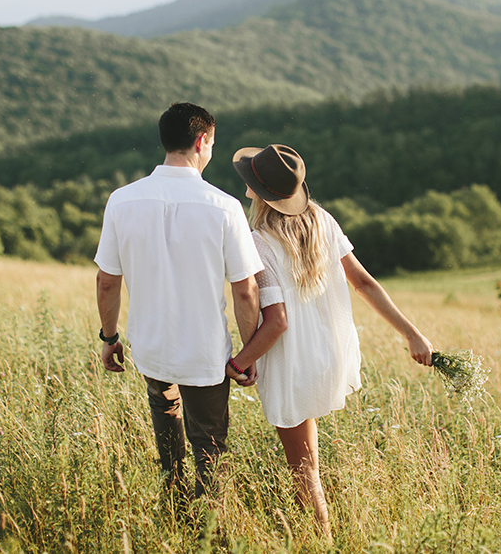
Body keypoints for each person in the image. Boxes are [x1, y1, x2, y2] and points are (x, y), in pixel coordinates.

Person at [225, 143, 434, 537]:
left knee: (305, 472)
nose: (246, 187)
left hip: (292, 365)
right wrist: (412, 334)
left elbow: (277, 323)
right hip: (328, 356)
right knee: (308, 467)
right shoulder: (323, 221)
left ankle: (323, 541)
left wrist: (239, 362)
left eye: (250, 182)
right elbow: (365, 283)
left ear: (258, 192)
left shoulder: (260, 242)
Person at [94, 102, 263, 499]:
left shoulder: (121, 200)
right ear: (201, 141)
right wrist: (249, 352)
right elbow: (245, 290)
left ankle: (172, 505)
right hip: (204, 353)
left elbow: (107, 281)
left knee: (165, 426)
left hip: (150, 346)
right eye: (213, 144)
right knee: (210, 448)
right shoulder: (225, 207)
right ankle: (207, 532)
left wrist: (109, 337)